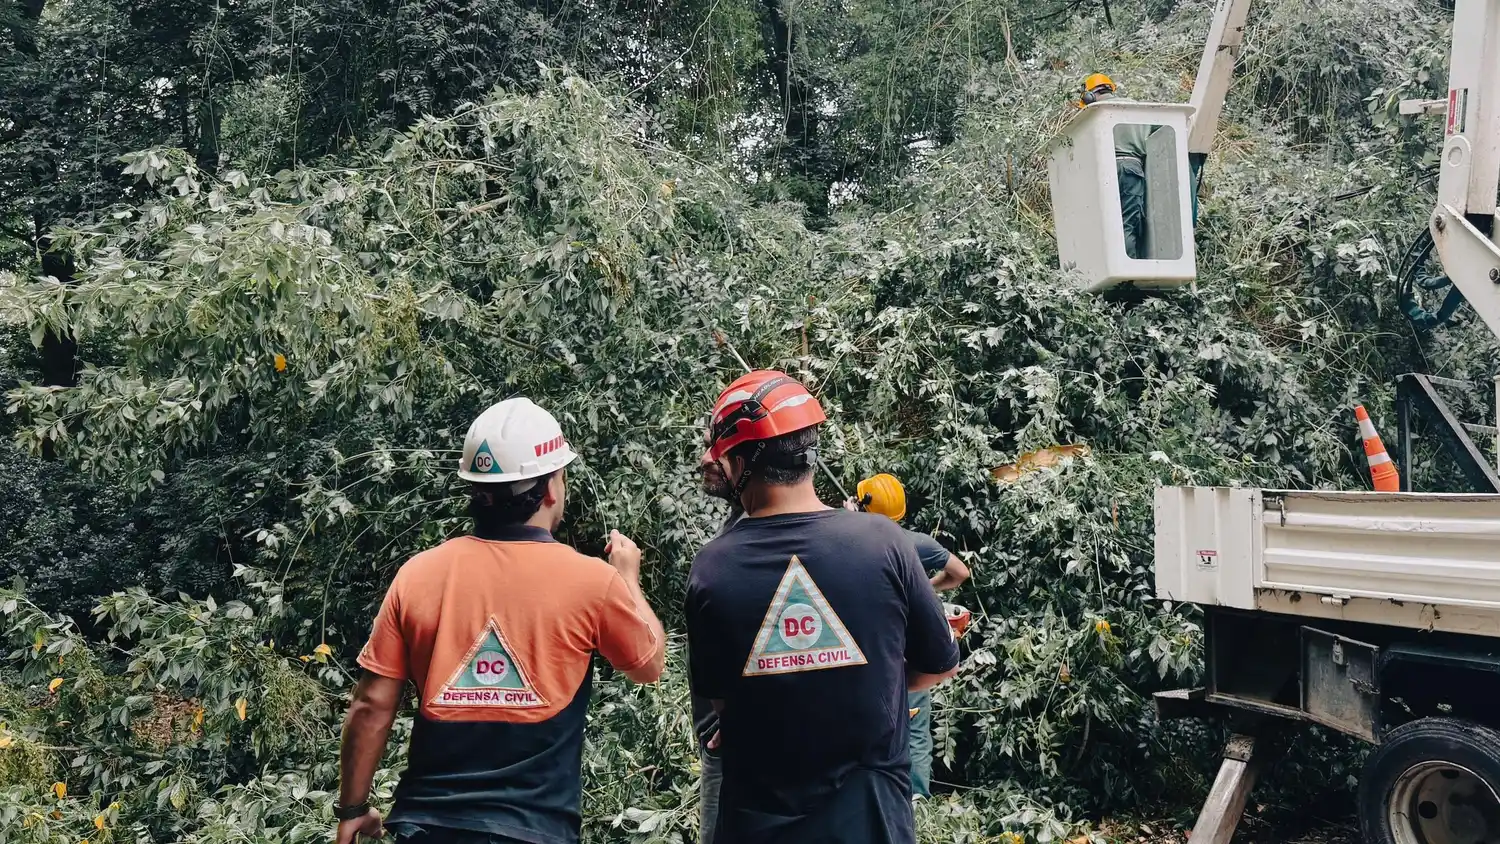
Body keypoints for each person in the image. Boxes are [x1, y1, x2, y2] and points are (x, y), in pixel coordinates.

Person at [334, 397, 667, 844]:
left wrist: (353, 809)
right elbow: (649, 665)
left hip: (429, 827)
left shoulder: (419, 575)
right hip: (536, 830)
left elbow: (372, 705)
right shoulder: (593, 581)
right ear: (551, 488)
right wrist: (628, 580)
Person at [684, 370, 960, 844]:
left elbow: (724, 703)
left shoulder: (714, 568)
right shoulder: (885, 543)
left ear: (734, 461)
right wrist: (871, 680)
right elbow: (938, 665)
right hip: (873, 818)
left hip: (762, 819)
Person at [850, 473, 970, 800]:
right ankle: (917, 799)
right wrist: (924, 589)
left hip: (867, 650)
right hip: (908, 649)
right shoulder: (916, 543)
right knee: (915, 726)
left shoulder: (850, 542)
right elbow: (960, 572)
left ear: (863, 506)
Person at [691, 423, 741, 844]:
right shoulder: (733, 532)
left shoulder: (740, 548)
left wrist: (733, 723)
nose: (705, 459)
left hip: (732, 748)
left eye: (717, 449)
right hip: (723, 741)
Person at [1080, 73, 1150, 259]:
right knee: (1127, 222)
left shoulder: (1094, 111)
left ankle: (1118, 270)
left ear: (1090, 95)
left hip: (1103, 170)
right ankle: (1127, 271)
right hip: (1131, 168)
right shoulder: (1137, 107)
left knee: (1105, 223)